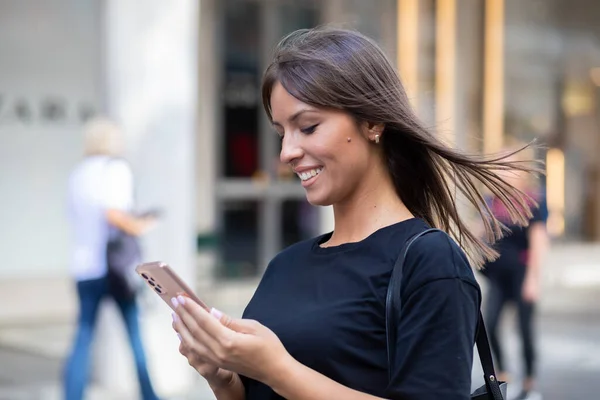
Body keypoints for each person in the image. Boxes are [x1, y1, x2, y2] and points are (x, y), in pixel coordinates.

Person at [170, 27, 538, 400]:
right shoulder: (286, 265)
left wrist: (278, 369)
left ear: (373, 122)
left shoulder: (430, 263)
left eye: (308, 127)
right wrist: (222, 379)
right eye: (282, 132)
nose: (287, 153)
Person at [63, 117, 161, 400]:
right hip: (115, 268)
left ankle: (71, 395)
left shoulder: (78, 174)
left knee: (83, 336)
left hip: (84, 267)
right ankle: (150, 396)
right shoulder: (115, 169)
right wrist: (141, 225)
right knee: (134, 334)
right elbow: (114, 214)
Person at [481, 144, 549, 400]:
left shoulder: (534, 200)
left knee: (524, 329)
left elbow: (539, 242)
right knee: (491, 324)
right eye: (499, 167)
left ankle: (530, 384)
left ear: (519, 170)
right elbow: (482, 233)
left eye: (507, 167)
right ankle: (505, 376)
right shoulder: (491, 201)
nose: (502, 172)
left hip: (522, 273)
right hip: (498, 275)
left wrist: (533, 280)